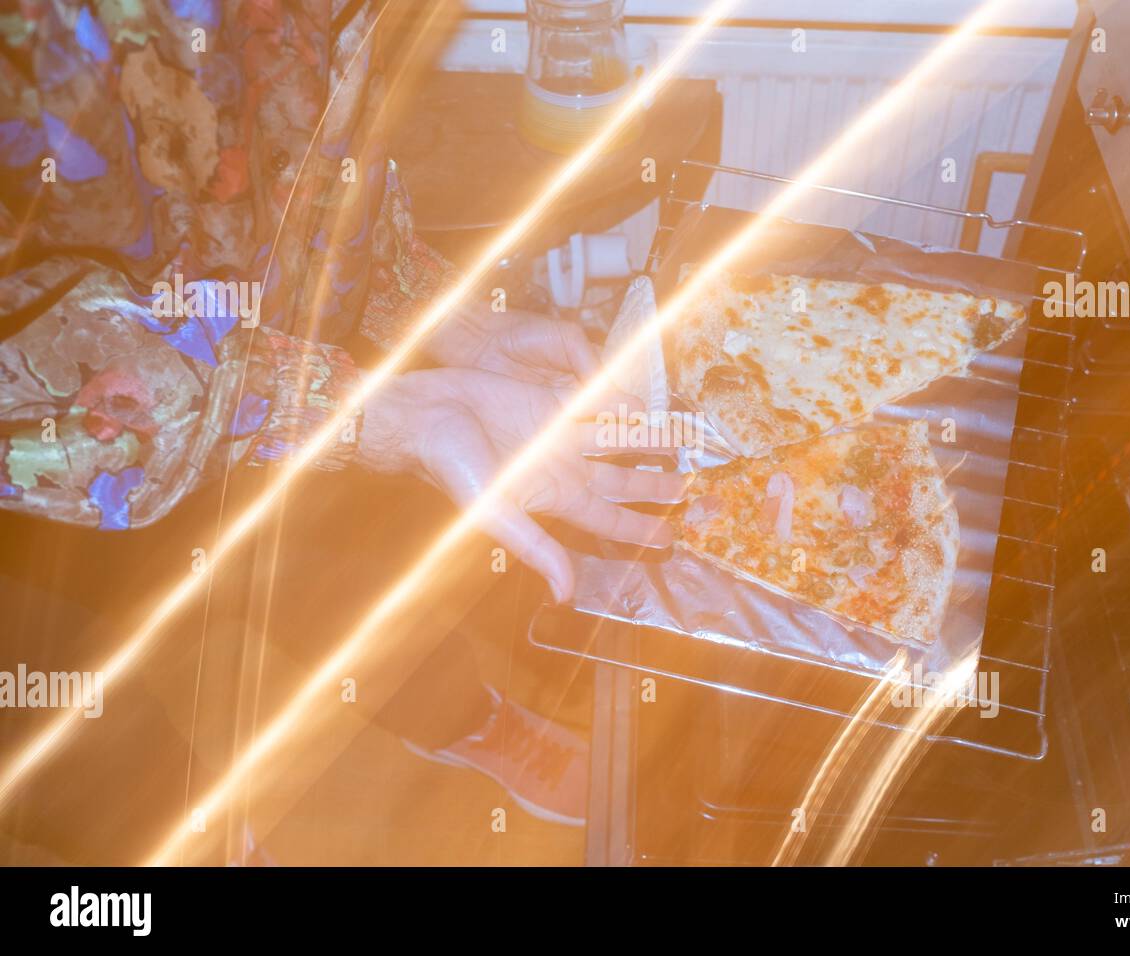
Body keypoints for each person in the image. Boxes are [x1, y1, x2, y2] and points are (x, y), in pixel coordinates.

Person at [0, 0, 681, 837]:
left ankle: (458, 716)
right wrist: (362, 412)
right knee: (74, 713)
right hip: (33, 491)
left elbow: (315, 163)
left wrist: (445, 321)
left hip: (274, 377)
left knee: (339, 567)